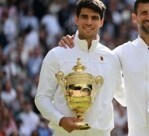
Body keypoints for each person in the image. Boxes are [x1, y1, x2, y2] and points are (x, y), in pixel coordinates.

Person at [59, 0, 149, 136]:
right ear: (134, 18)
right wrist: (75, 42)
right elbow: (92, 54)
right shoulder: (121, 53)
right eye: (143, 13)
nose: (148, 17)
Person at [35, 0, 125, 136]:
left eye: (94, 18)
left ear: (101, 22)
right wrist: (60, 120)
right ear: (76, 19)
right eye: (84, 17)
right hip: (65, 133)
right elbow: (41, 98)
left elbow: (124, 97)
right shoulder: (57, 54)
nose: (89, 22)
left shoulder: (111, 58)